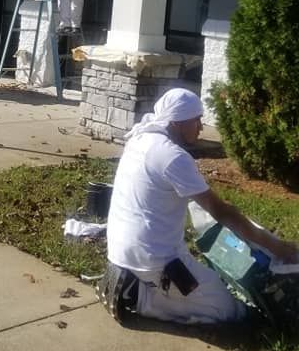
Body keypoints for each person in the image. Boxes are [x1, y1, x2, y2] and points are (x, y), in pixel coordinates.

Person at [99, 88, 298, 325]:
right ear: (178, 122)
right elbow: (221, 211)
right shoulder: (172, 156)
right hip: (157, 261)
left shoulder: (141, 139)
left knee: (208, 284)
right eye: (197, 120)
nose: (201, 127)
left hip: (121, 250)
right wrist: (278, 247)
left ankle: (141, 283)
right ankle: (140, 297)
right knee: (226, 309)